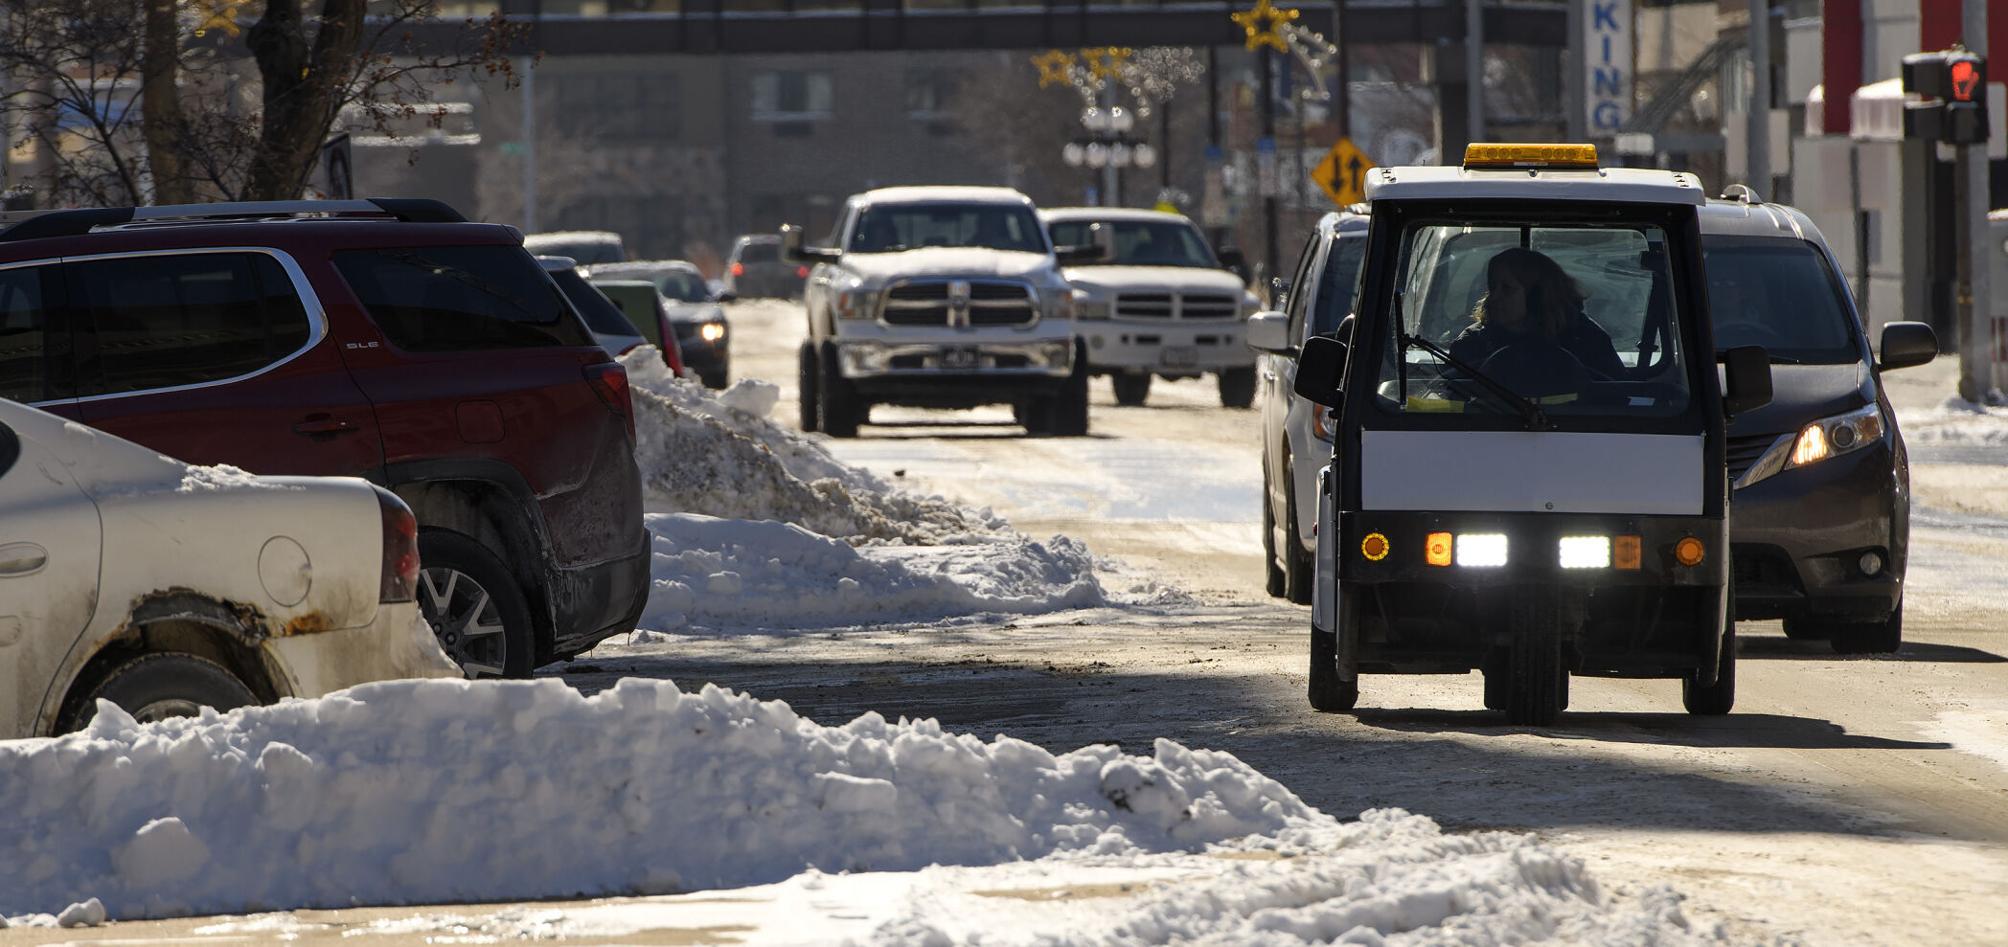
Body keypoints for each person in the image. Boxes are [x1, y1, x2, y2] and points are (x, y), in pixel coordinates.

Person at [1447, 247, 1624, 381]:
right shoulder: (1472, 342)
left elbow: (1615, 401)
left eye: (1507, 289)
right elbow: (1450, 398)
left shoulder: (1588, 341)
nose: (1494, 298)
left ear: (1537, 296)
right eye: (1493, 288)